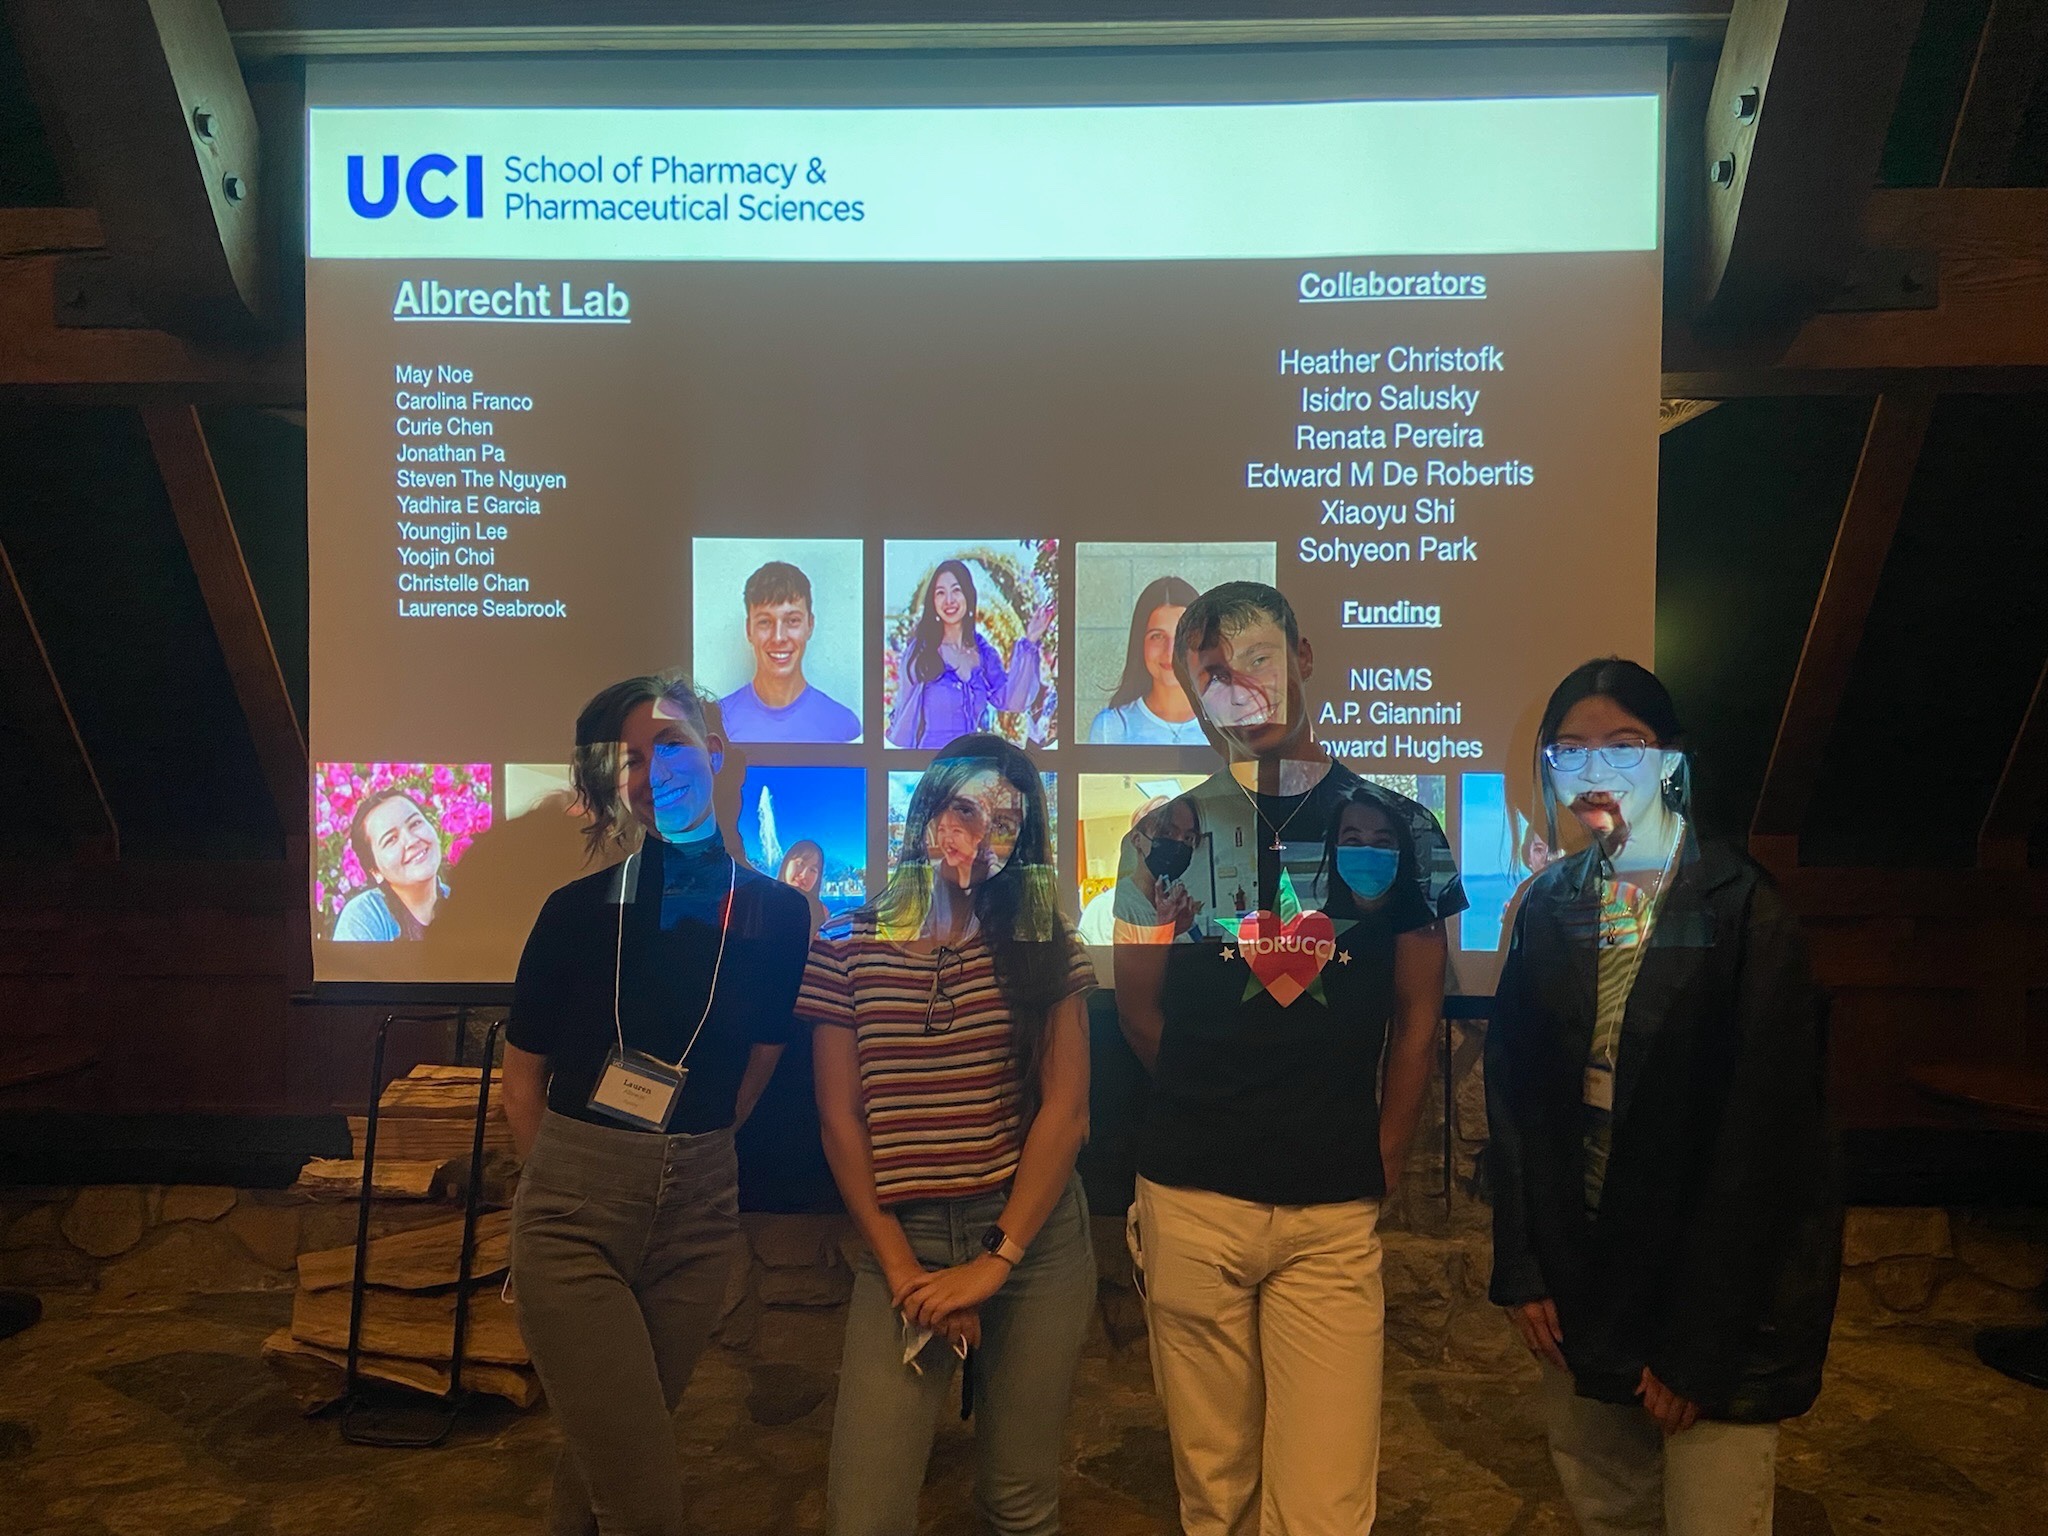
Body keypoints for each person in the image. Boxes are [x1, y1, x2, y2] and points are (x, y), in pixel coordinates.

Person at [1113, 581, 1465, 1535]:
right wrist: (1218, 1107)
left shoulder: (1403, 829)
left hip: (1330, 1212)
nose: (1241, 688)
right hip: (1191, 1199)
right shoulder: (1160, 837)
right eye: (1214, 674)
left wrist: (1383, 1156)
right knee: (1215, 1496)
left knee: (1324, 1507)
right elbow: (1140, 1013)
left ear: (1302, 658)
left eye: (1259, 660)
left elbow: (1420, 1016)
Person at [1486, 658, 1840, 1536]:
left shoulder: (1744, 907)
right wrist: (1525, 1267)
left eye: (1625, 746)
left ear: (1671, 761)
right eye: (1570, 751)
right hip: (1585, 1276)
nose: (1595, 771)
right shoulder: (1549, 906)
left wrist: (1700, 1346)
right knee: (1609, 1509)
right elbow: (1517, 1098)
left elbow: (1767, 1143)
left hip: (1714, 1292)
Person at [500, 673, 812, 1536]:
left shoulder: (780, 918)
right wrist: (567, 1185)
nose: (652, 772)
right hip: (574, 1211)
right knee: (642, 1497)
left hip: (698, 1212)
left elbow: (756, 1065)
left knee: (606, 1463)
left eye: (669, 745)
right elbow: (521, 1082)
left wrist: (688, 1151)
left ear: (715, 751)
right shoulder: (573, 914)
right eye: (630, 759)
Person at [799, 735, 1097, 1536]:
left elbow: (1067, 1113)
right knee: (864, 1518)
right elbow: (840, 1120)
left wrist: (994, 1263)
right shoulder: (845, 943)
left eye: (1006, 823)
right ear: (928, 810)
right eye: (966, 809)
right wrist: (907, 1274)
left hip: (1031, 1240)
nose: (979, 835)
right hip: (904, 1239)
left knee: (1018, 1504)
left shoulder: (1045, 945)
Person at [886, 558, 1051, 748]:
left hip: (971, 760)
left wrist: (1031, 640)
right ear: (933, 602)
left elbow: (1012, 700)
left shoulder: (982, 652)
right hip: (932, 761)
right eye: (940, 593)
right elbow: (905, 717)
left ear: (968, 595)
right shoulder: (921, 653)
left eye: (956, 590)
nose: (949, 600)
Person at [718, 560, 861, 743]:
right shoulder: (717, 723)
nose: (778, 637)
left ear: (810, 625)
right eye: (765, 622)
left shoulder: (843, 726)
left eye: (792, 620)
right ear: (749, 630)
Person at [1086, 575, 1206, 745]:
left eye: (1183, 636)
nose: (1170, 651)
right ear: (1140, 642)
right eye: (1157, 636)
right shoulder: (1110, 728)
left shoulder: (1228, 727)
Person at [1077, 794, 1205, 946]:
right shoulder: (1106, 910)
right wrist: (1165, 930)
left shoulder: (1178, 909)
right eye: (1167, 832)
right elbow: (1115, 961)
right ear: (1137, 839)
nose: (1178, 845)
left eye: (1188, 838)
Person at [334, 788, 448, 940]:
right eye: (391, 839)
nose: (412, 841)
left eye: (415, 823)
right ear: (375, 871)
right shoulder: (362, 918)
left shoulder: (465, 903)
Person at [778, 838, 830, 935]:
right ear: (786, 863)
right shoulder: (762, 901)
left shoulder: (821, 912)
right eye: (800, 864)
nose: (804, 875)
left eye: (813, 870)